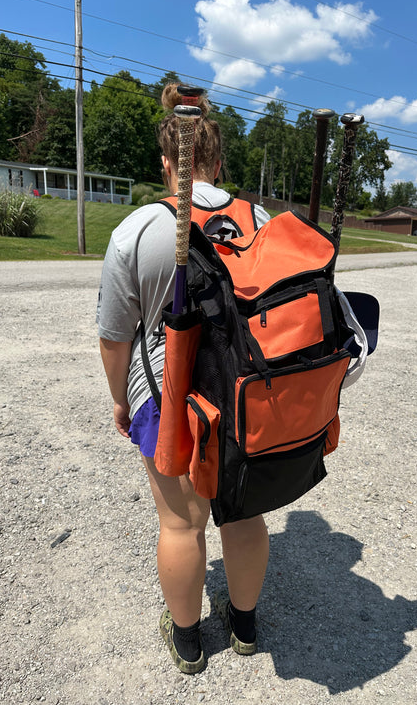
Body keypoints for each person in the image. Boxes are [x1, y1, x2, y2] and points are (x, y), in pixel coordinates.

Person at [96, 83, 271, 675]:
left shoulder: (139, 230)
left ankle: (190, 641)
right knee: (244, 513)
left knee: (180, 521)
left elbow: (114, 338)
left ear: (168, 161)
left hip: (171, 396)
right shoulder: (260, 221)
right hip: (250, 395)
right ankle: (244, 627)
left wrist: (120, 402)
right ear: (217, 161)